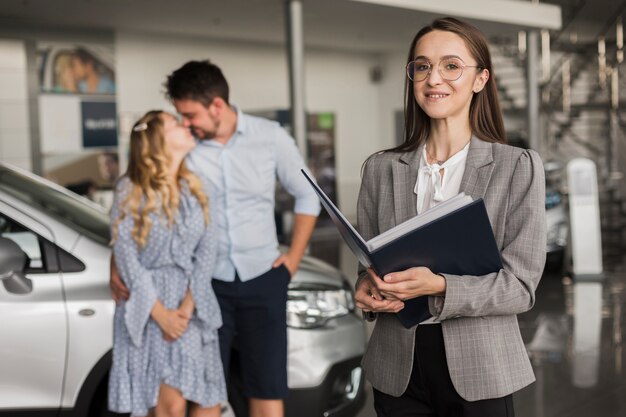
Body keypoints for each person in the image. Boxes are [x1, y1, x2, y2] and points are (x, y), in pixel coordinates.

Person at [354, 17, 546, 417]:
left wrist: (439, 286)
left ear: (480, 79)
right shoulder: (380, 168)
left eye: (451, 66)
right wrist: (367, 293)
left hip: (481, 368)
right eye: (422, 66)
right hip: (396, 369)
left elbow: (520, 287)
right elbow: (369, 263)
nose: (433, 78)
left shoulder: (517, 167)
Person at [111, 60, 321, 417]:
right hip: (202, 285)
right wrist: (116, 265)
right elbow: (139, 211)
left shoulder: (270, 137)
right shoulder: (184, 151)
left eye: (190, 115)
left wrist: (293, 260)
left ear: (217, 106)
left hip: (263, 276)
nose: (186, 124)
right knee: (203, 389)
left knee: (266, 385)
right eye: (180, 118)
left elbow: (308, 195)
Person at [108, 110, 226, 417]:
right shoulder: (128, 190)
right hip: (149, 307)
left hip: (193, 304)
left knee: (208, 402)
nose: (186, 125)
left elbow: (207, 254)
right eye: (175, 123)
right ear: (155, 140)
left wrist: (187, 308)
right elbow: (127, 259)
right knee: (169, 407)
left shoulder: (199, 188)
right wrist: (161, 314)